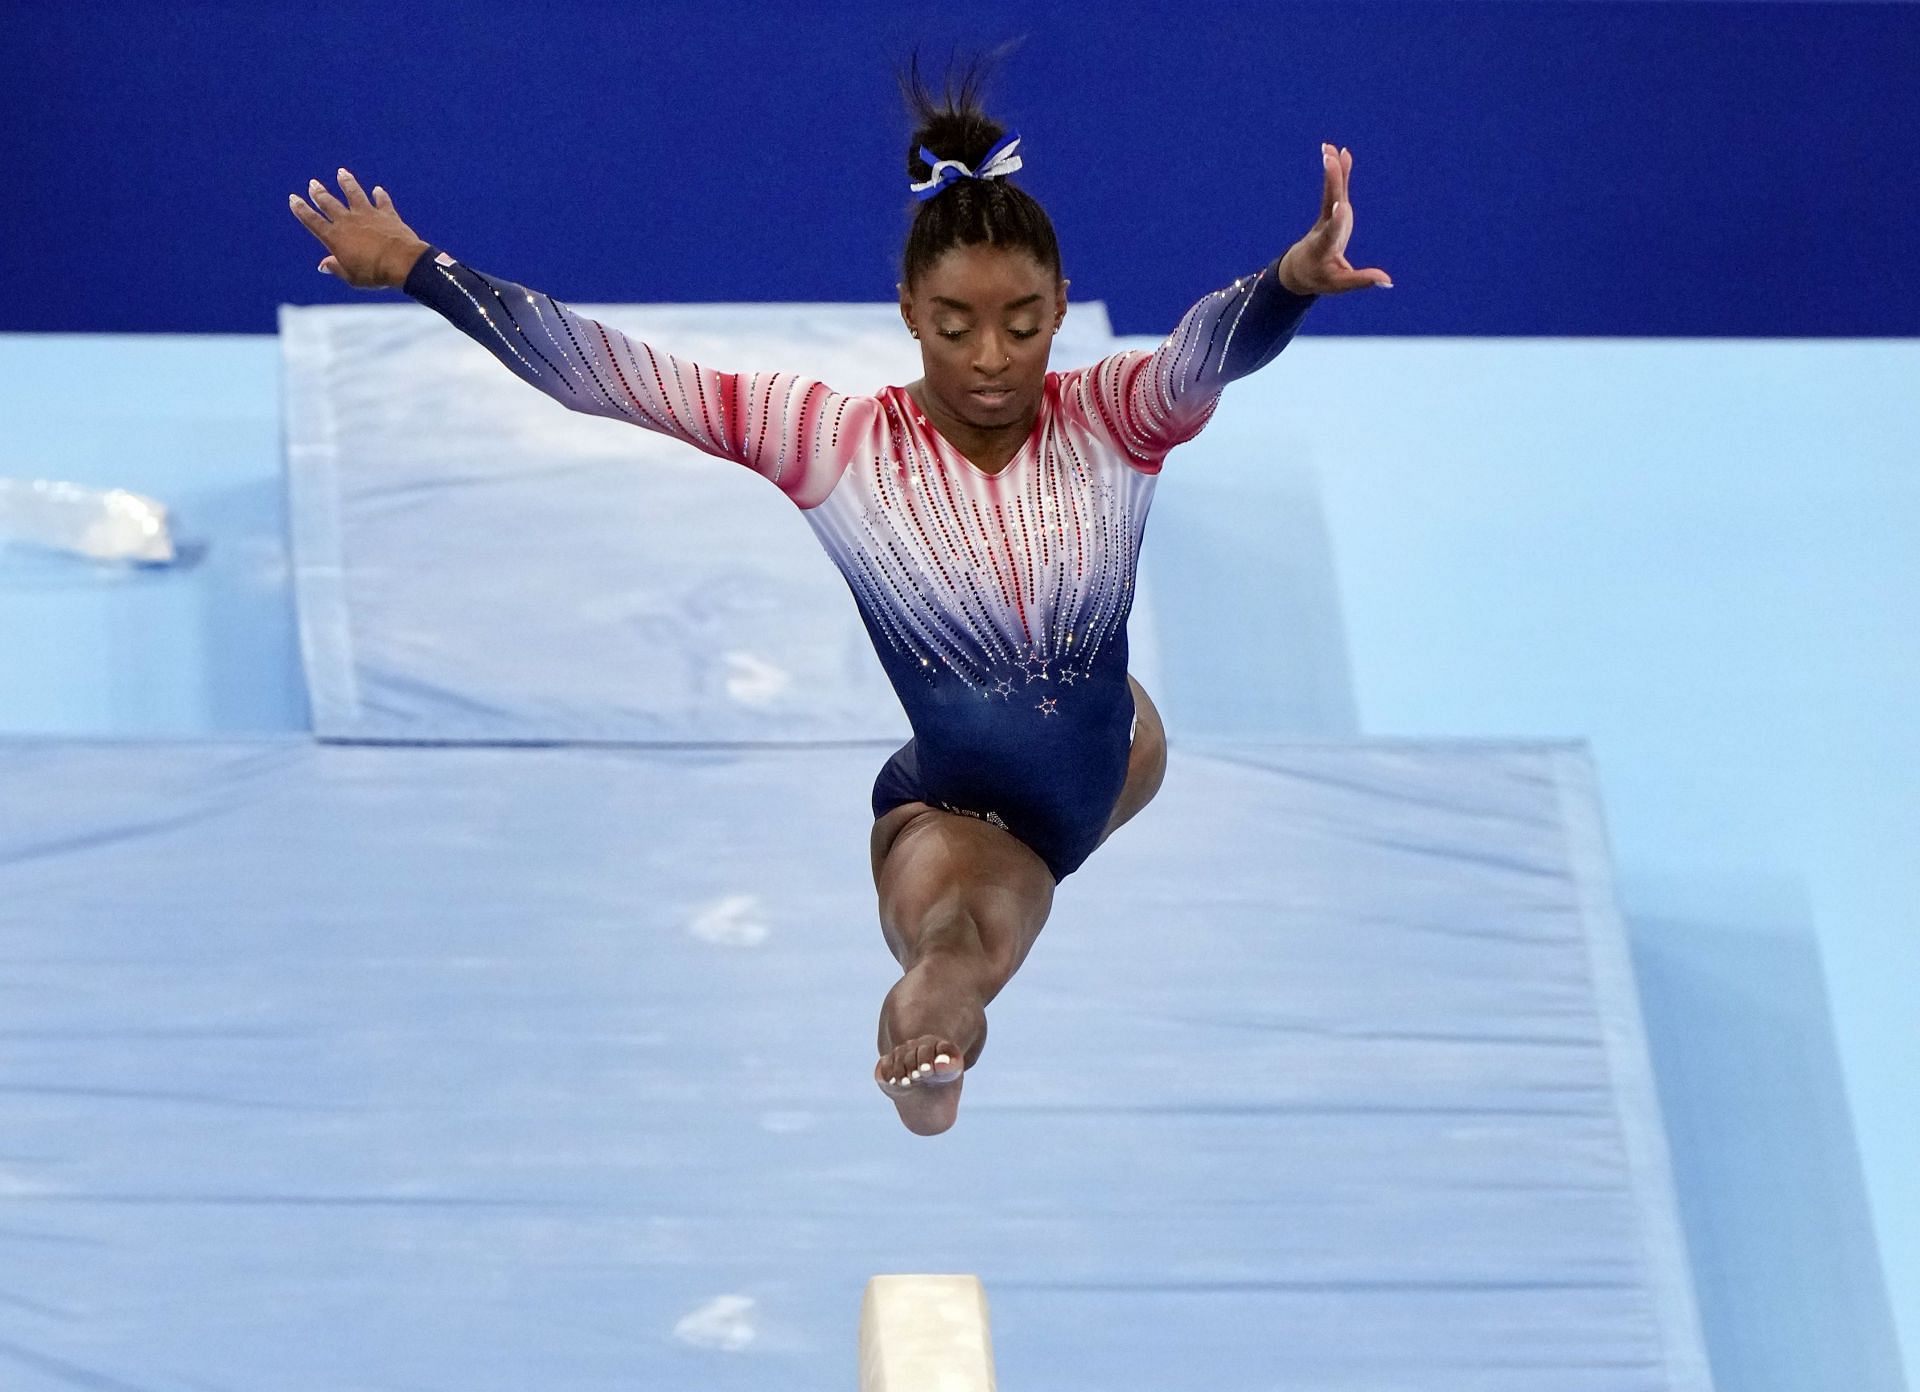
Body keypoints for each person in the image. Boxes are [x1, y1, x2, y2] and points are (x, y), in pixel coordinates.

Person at [288, 64, 1391, 1137]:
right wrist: (426, 269)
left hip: (1124, 750)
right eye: (955, 325)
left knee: (1095, 732)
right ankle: (930, 1063)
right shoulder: (833, 442)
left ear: (1061, 305)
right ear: (908, 309)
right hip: (970, 810)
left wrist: (1292, 279)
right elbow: (607, 373)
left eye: (1023, 321)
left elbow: (1207, 349)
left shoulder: (1116, 416)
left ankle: (1058, 804)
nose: (993, 358)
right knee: (961, 941)